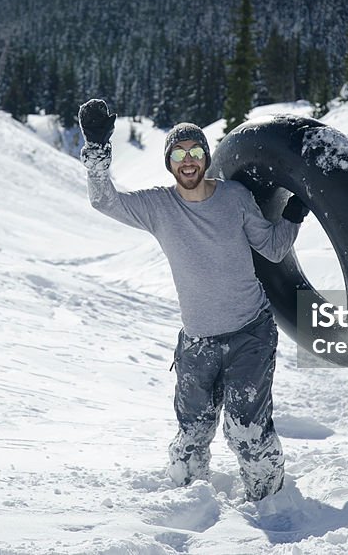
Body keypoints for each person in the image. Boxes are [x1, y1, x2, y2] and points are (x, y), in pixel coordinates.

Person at [78, 98, 309, 502]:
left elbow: (272, 249)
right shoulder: (158, 206)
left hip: (249, 335)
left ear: (205, 157)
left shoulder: (235, 197)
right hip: (197, 343)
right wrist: (98, 152)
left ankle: (271, 502)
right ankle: (187, 503)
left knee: (246, 431)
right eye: (179, 154)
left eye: (196, 152)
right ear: (170, 162)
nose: (188, 161)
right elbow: (104, 200)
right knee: (191, 434)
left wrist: (293, 216)